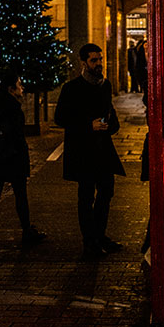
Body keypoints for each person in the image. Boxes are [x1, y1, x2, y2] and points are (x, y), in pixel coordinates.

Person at [54, 44, 125, 258]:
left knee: (106, 192)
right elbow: (60, 118)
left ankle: (99, 235)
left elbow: (111, 114)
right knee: (86, 197)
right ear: (83, 63)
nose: (99, 64)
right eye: (94, 60)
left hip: (103, 150)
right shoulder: (71, 88)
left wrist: (110, 125)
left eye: (100, 59)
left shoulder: (105, 86)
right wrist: (88, 125)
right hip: (82, 151)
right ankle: (89, 241)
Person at [0, 71, 46, 249]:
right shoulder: (13, 108)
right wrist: (22, 156)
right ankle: (26, 231)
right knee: (20, 195)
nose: (22, 88)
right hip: (12, 158)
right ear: (11, 89)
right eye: (19, 85)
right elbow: (17, 136)